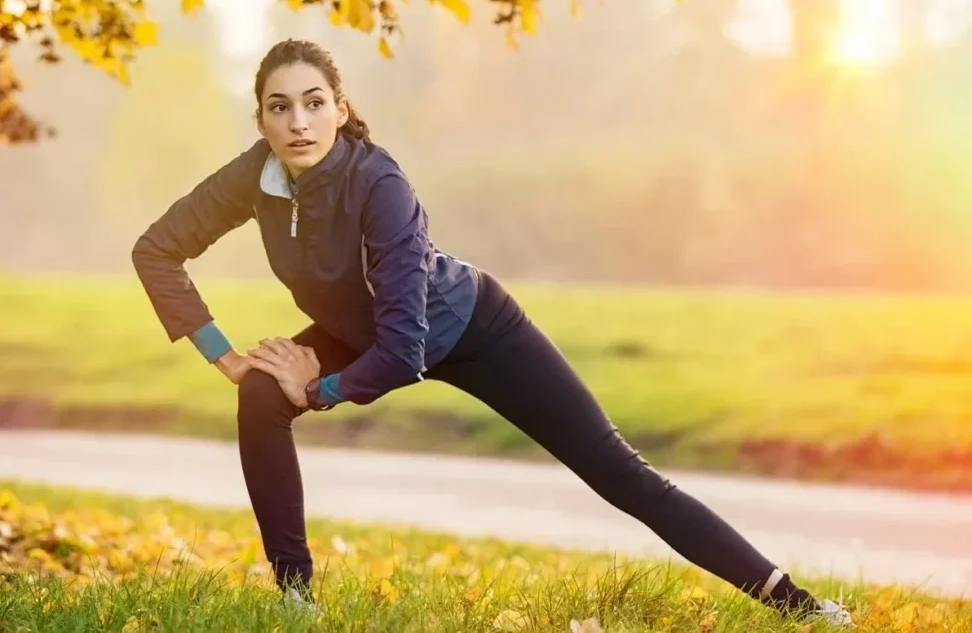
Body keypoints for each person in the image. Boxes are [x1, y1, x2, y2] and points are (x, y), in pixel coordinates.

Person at [131, 38, 853, 627]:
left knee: (620, 474)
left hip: (471, 326)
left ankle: (795, 603)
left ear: (341, 109)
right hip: (362, 329)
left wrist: (317, 389)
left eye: (314, 104)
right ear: (260, 120)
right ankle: (294, 600)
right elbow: (157, 248)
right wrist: (225, 357)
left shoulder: (380, 185)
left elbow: (404, 349)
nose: (298, 122)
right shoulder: (255, 177)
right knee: (260, 395)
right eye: (279, 107)